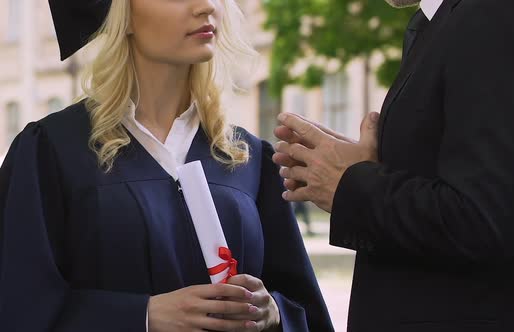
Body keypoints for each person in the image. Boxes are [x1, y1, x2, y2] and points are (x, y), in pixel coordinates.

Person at [0, 1, 334, 331]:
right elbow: (18, 304)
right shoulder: (52, 151)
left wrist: (272, 312)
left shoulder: (247, 159)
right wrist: (142, 317)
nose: (206, 6)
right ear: (122, 14)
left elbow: (304, 309)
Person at [273, 0, 514, 331]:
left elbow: (481, 220)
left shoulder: (500, 13)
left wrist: (350, 184)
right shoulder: (475, 15)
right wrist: (370, 165)